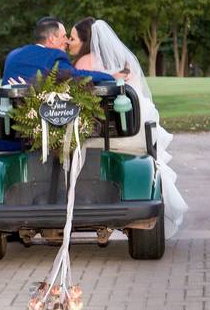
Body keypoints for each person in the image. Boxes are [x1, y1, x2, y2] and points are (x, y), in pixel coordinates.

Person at [69, 18, 188, 239]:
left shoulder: (82, 63)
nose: (68, 42)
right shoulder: (122, 62)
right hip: (128, 130)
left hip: (97, 132)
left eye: (72, 37)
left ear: (86, 41)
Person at [0, 17, 114, 152]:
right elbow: (77, 76)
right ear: (52, 38)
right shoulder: (54, 56)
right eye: (63, 36)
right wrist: (109, 76)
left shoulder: (13, 55)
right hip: (37, 138)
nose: (67, 41)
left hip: (3, 134)